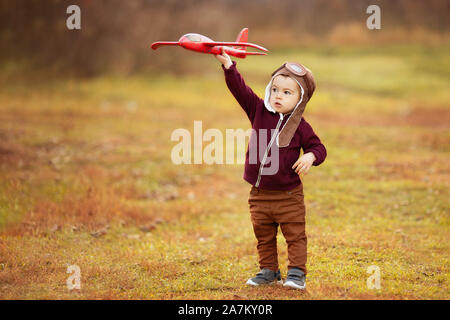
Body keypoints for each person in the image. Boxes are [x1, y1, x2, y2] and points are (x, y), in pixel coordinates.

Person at [215, 49, 327, 290]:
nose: (278, 96)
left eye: (287, 93)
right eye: (275, 89)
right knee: (263, 235)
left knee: (295, 235)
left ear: (300, 99)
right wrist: (228, 65)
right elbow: (240, 89)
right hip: (259, 193)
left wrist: (310, 155)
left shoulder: (301, 126)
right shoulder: (258, 111)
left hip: (288, 196)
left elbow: (319, 148)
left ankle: (296, 273)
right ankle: (269, 270)